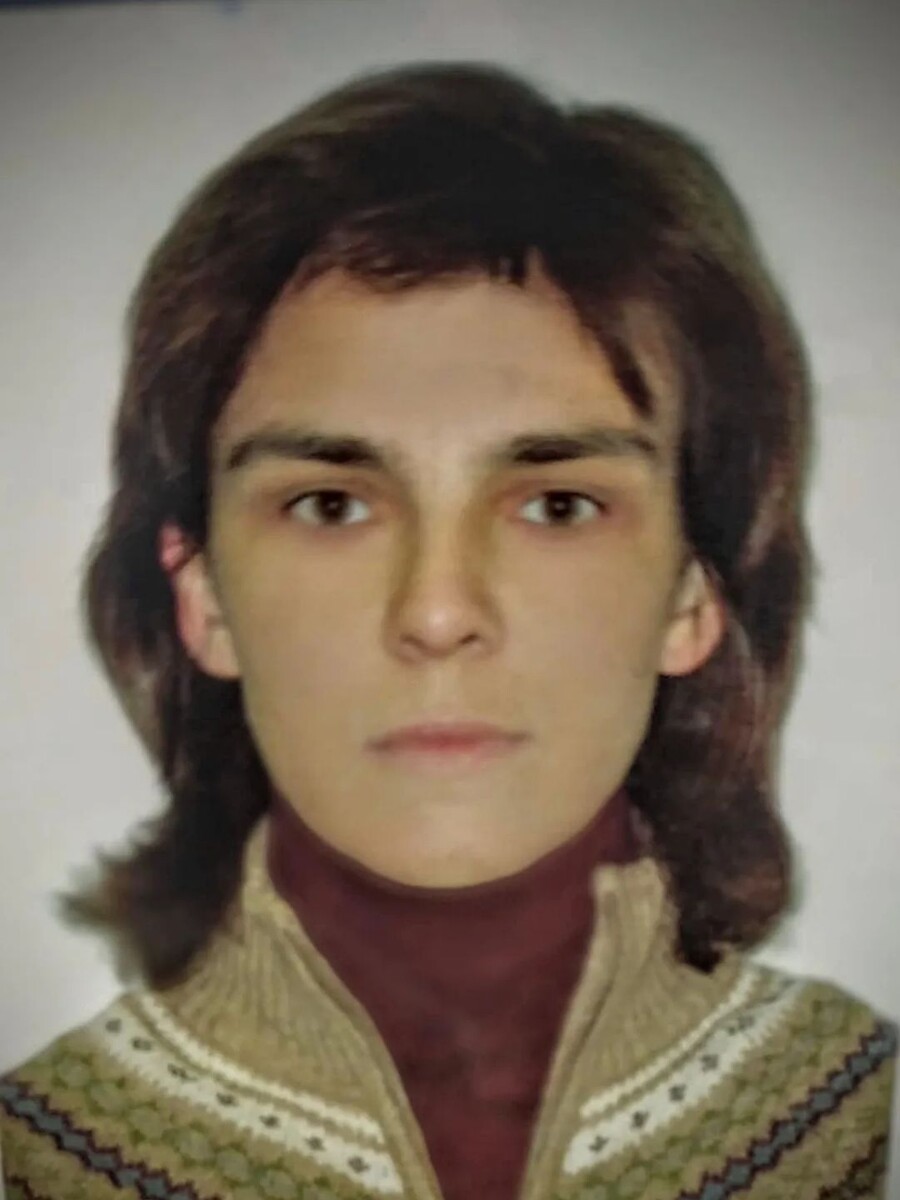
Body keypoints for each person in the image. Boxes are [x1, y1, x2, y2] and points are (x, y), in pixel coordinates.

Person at [0, 60, 895, 1200]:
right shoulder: (39, 1162)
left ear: (693, 595)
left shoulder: (854, 1116)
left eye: (556, 505)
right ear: (203, 598)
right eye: (331, 505)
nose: (436, 613)